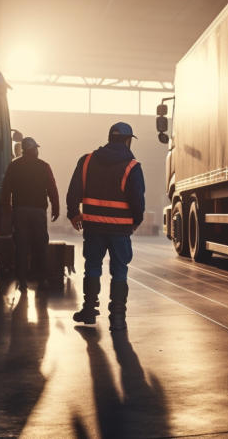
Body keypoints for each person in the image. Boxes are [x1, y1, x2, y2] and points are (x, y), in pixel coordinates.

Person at [67, 122, 145, 331]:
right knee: (119, 271)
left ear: (110, 138)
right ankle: (118, 317)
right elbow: (137, 199)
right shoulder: (132, 166)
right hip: (120, 230)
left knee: (92, 267)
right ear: (128, 141)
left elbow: (73, 190)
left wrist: (74, 214)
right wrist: (136, 221)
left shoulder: (87, 161)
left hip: (93, 228)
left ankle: (89, 311)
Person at [0, 137, 60, 291]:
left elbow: (6, 190)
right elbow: (52, 188)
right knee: (40, 245)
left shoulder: (14, 166)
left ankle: (22, 281)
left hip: (20, 212)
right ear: (33, 150)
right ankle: (42, 279)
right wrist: (56, 207)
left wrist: (7, 210)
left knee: (21, 246)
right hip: (38, 212)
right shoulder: (44, 166)